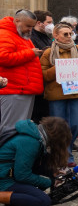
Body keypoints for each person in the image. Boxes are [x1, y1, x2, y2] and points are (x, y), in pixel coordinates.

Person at [40, 22, 78, 164]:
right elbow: (43, 74)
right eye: (65, 34)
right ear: (56, 35)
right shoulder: (48, 53)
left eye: (71, 34)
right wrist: (57, 68)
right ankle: (64, 155)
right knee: (58, 127)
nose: (69, 36)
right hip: (57, 96)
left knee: (77, 124)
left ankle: (66, 150)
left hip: (76, 93)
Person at [0, 117, 73, 206]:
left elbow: (34, 165)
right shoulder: (31, 142)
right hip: (4, 180)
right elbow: (22, 175)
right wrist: (50, 182)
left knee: (38, 187)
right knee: (43, 200)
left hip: (6, 174)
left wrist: (53, 173)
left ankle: (11, 198)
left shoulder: (35, 133)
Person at [0, 10, 43, 144]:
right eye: (28, 26)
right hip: (13, 89)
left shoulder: (19, 35)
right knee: (10, 129)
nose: (30, 29)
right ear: (17, 21)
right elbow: (3, 58)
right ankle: (6, 160)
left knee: (20, 128)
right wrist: (30, 53)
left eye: (31, 26)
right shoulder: (5, 34)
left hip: (23, 88)